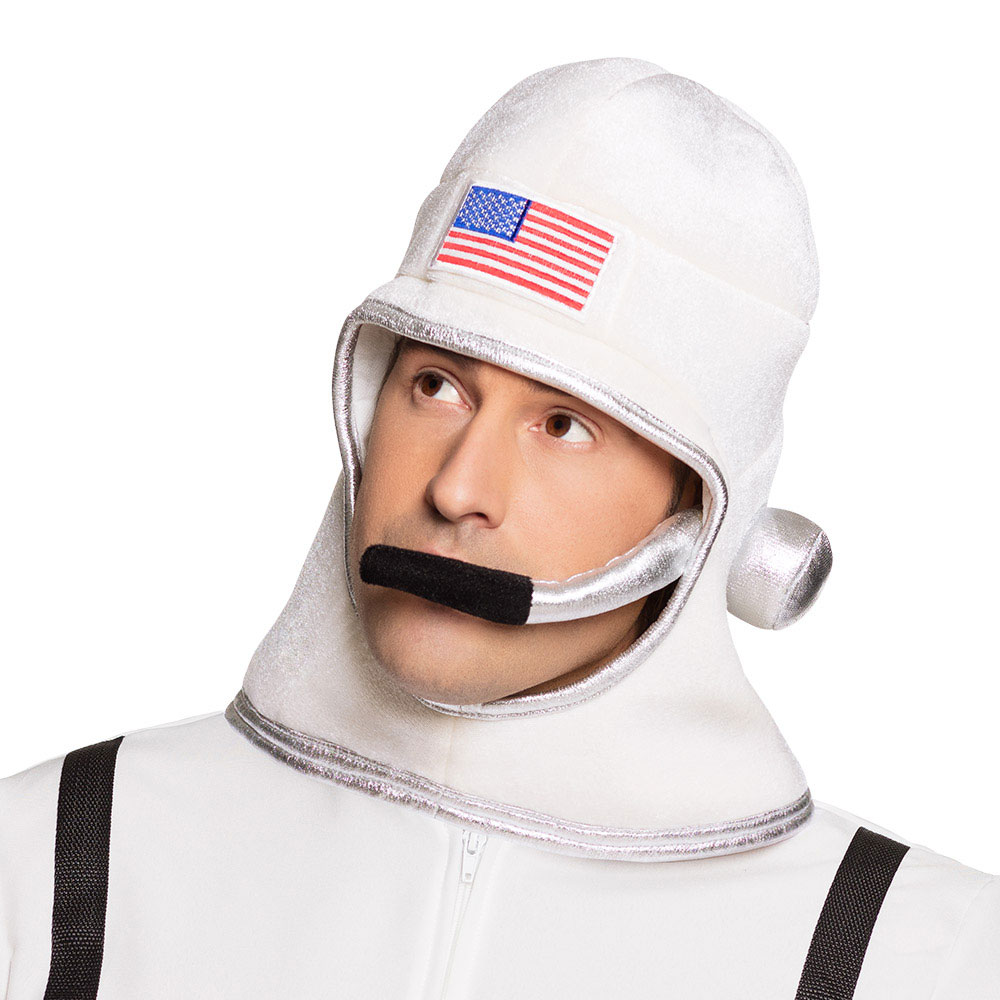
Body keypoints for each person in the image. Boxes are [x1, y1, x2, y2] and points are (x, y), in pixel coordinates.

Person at [1, 58, 997, 999]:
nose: (457, 489)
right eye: (437, 385)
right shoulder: (50, 859)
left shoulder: (921, 957)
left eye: (563, 424)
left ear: (704, 514)